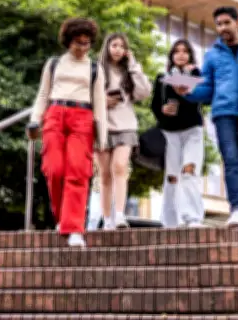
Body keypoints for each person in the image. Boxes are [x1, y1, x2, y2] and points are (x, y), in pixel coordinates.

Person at [174, 6, 238, 231]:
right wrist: (188, 93)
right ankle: (237, 208)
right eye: (218, 24)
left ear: (237, 23)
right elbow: (208, 90)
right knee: (231, 159)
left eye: (226, 23)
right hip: (223, 114)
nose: (222, 28)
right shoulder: (212, 55)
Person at [27, 17, 107, 248]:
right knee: (53, 169)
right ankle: (63, 218)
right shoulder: (53, 64)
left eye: (87, 43)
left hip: (82, 117)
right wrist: (34, 120)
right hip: (54, 113)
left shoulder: (94, 69)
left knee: (77, 172)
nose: (82, 48)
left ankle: (73, 228)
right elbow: (43, 94)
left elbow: (100, 104)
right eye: (77, 43)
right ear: (68, 41)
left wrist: (102, 137)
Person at [96, 32, 152, 230]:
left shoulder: (129, 70)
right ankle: (107, 218)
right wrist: (102, 99)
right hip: (101, 126)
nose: (117, 49)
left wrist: (134, 66)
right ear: (107, 47)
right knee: (104, 174)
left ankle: (120, 214)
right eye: (114, 45)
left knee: (120, 167)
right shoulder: (96, 70)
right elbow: (85, 96)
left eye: (121, 46)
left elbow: (144, 92)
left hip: (125, 124)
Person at [150, 39, 205, 228]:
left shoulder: (197, 74)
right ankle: (169, 222)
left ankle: (193, 218)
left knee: (189, 172)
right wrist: (163, 110)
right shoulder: (162, 78)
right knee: (172, 177)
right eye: (177, 51)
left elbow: (202, 100)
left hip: (192, 131)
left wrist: (188, 87)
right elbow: (154, 106)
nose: (181, 54)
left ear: (190, 55)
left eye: (185, 51)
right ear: (171, 56)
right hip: (170, 134)